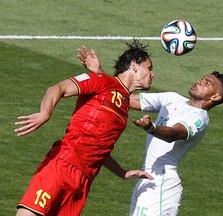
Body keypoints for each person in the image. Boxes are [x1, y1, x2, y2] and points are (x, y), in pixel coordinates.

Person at [80, 48, 223, 215]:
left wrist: (150, 127)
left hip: (162, 183)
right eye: (202, 78)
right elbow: (126, 98)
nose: (199, 82)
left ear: (216, 97)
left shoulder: (199, 118)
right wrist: (100, 74)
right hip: (147, 178)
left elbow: (175, 133)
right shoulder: (173, 98)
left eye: (207, 83)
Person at [14, 39, 155, 216]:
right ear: (134, 66)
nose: (152, 74)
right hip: (62, 165)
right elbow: (58, 88)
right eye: (149, 68)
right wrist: (45, 112)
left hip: (83, 181)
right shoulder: (100, 81)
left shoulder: (124, 104)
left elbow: (99, 148)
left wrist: (122, 172)